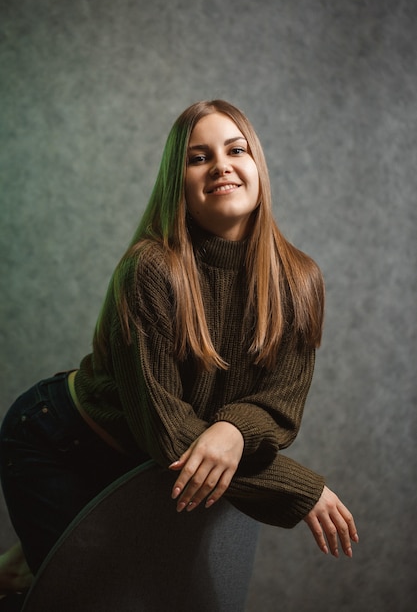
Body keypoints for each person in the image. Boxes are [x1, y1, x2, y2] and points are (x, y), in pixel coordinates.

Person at [0, 99, 358, 606]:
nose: (221, 166)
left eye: (236, 149)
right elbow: (171, 437)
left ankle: (35, 561)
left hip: (144, 461)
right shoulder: (150, 269)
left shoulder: (299, 281)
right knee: (91, 598)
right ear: (179, 184)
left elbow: (280, 409)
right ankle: (37, 566)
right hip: (62, 440)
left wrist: (233, 429)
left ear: (257, 165)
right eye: (198, 157)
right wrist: (302, 489)